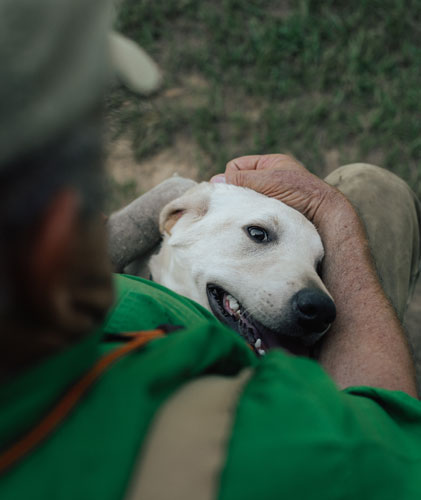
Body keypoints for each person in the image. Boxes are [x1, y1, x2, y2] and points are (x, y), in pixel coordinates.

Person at [1, 1, 421, 499]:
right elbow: (394, 449)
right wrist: (334, 215)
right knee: (375, 191)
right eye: (258, 236)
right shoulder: (243, 440)